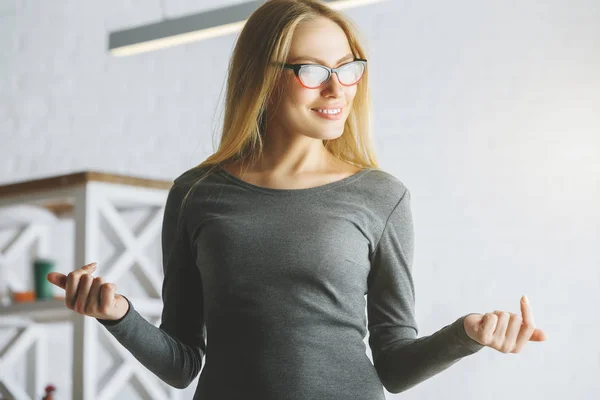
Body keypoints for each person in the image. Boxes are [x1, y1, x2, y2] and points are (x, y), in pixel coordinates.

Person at [47, 1, 546, 398]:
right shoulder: (197, 193)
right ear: (261, 80)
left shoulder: (381, 196)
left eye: (348, 68)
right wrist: (118, 315)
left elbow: (393, 366)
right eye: (310, 69)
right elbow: (182, 365)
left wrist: (467, 334)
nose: (336, 88)